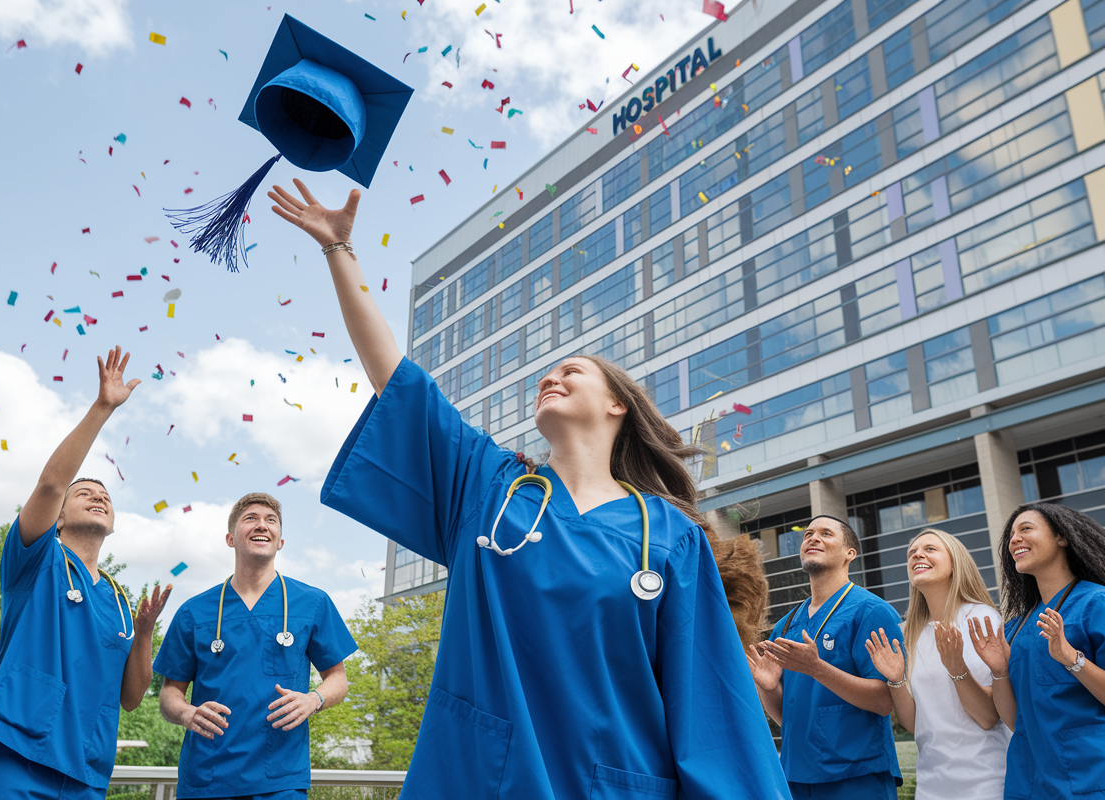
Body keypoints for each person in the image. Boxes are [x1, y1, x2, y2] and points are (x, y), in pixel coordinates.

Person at [269, 179, 789, 800]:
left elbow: (709, 706)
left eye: (572, 371)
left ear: (618, 405)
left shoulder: (670, 537)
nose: (551, 376)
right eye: (547, 372)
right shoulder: (488, 488)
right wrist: (340, 252)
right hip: (482, 779)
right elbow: (399, 381)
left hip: (614, 786)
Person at [0, 346, 171, 799]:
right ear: (57, 516)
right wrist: (103, 408)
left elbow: (131, 698)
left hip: (84, 775)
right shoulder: (35, 560)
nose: (98, 496)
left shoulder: (117, 599)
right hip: (13, 758)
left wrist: (145, 632)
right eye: (86, 493)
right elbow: (53, 483)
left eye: (106, 496)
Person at [155, 492, 356, 800]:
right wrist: (185, 714)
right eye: (250, 519)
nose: (262, 525)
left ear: (280, 542)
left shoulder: (313, 603)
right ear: (230, 538)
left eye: (270, 520)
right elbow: (169, 692)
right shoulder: (194, 611)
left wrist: (313, 699)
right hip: (206, 779)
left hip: (280, 779)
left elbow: (338, 679)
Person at [968, 503, 1105, 800]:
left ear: (1061, 537)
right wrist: (999, 671)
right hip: (1036, 779)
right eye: (1010, 534)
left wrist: (1072, 659)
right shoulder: (1015, 629)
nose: (1014, 540)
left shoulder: (1098, 602)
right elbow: (1016, 719)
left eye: (1025, 529)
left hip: (1103, 775)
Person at [747, 515, 904, 799]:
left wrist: (817, 668)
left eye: (826, 533)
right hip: (795, 776)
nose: (813, 538)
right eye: (808, 534)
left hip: (856, 776)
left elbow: (884, 702)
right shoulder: (786, 625)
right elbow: (789, 718)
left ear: (849, 554)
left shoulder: (871, 612)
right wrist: (768, 687)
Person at [864, 528, 1010, 800]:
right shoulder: (910, 634)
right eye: (912, 552)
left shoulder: (980, 618)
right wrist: (895, 679)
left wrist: (958, 670)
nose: (917, 554)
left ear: (955, 563)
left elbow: (990, 717)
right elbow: (914, 723)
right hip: (932, 784)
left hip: (987, 780)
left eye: (930, 549)